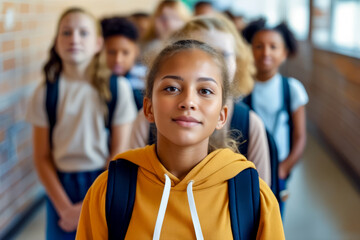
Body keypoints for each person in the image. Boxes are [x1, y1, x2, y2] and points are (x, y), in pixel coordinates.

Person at [76, 39, 284, 239]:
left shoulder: (252, 195)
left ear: (222, 116)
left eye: (205, 91)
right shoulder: (108, 190)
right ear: (148, 108)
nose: (188, 102)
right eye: (172, 88)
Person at [26, 7, 137, 239]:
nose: (74, 39)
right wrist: (65, 208)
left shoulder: (117, 88)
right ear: (56, 42)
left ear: (98, 44)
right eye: (66, 32)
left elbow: (118, 154)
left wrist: (89, 204)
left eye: (83, 33)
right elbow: (41, 156)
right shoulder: (45, 92)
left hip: (104, 182)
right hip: (60, 188)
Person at [130, 15, 272, 186]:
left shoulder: (250, 124)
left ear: (238, 61)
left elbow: (259, 197)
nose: (212, 62)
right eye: (202, 49)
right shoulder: (147, 120)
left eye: (224, 54)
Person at [242, 19, 308, 215]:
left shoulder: (292, 89)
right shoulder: (241, 89)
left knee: (274, 218)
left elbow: (300, 136)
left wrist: (284, 168)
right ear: (249, 50)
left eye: (273, 47)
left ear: (285, 53)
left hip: (278, 167)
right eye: (259, 46)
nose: (266, 53)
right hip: (246, 167)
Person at [101, 16, 146, 110]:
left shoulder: (145, 81)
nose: (118, 59)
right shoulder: (97, 83)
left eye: (125, 52)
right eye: (111, 52)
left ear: (136, 51)